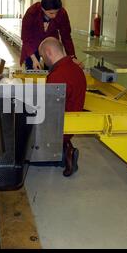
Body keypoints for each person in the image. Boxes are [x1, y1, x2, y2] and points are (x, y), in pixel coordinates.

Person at [38, 37, 87, 177]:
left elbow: (48, 113)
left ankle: (63, 156)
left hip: (59, 130)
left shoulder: (58, 76)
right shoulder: (75, 69)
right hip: (69, 125)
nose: (43, 61)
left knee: (25, 154)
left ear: (48, 52)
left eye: (42, 56)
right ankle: (64, 146)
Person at [21, 0, 82, 70]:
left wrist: (72, 56)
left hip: (51, 43)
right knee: (32, 69)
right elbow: (26, 39)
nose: (54, 16)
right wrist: (34, 59)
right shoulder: (31, 13)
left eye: (56, 12)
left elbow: (66, 37)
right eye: (51, 13)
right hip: (32, 44)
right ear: (42, 8)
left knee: (54, 69)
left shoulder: (62, 13)